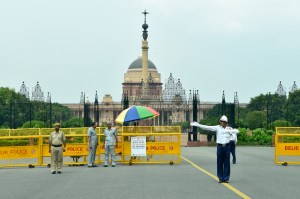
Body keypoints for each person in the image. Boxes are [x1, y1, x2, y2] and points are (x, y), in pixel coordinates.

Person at [190, 115, 239, 183]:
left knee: (227, 163)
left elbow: (237, 131)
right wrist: (198, 125)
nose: (222, 123)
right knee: (219, 162)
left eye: (223, 121)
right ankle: (221, 178)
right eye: (221, 121)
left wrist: (230, 131)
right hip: (219, 147)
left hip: (227, 147)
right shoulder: (217, 128)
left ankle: (226, 178)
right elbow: (207, 127)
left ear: (226, 122)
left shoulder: (229, 129)